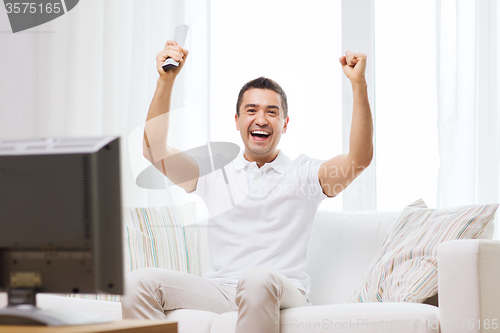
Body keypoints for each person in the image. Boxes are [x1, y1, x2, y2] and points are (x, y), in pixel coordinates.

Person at [122, 39, 373, 333]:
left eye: (272, 112)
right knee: (139, 282)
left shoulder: (305, 173)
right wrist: (166, 80)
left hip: (283, 292)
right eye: (251, 110)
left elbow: (360, 157)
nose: (261, 119)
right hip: (223, 291)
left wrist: (359, 85)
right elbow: (154, 151)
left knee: (256, 279)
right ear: (238, 120)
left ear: (285, 123)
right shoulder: (214, 171)